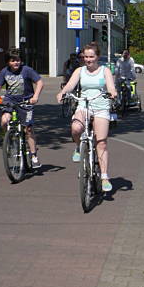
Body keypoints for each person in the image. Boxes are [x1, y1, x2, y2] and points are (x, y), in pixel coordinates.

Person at [56, 42, 117, 192]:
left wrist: (112, 92)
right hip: (84, 105)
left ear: (97, 57)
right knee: (76, 128)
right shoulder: (79, 71)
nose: (88, 60)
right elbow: (70, 85)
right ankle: (78, 147)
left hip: (101, 107)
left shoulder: (105, 70)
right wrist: (63, 92)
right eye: (86, 57)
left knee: (101, 143)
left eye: (91, 56)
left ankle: (104, 177)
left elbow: (110, 86)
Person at [0, 50, 44, 168]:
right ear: (8, 62)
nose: (16, 62)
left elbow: (39, 82)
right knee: (4, 120)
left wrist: (35, 96)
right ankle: (9, 140)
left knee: (28, 129)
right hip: (10, 100)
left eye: (18, 60)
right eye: (13, 60)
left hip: (26, 101)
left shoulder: (27, 70)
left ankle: (34, 156)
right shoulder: (4, 72)